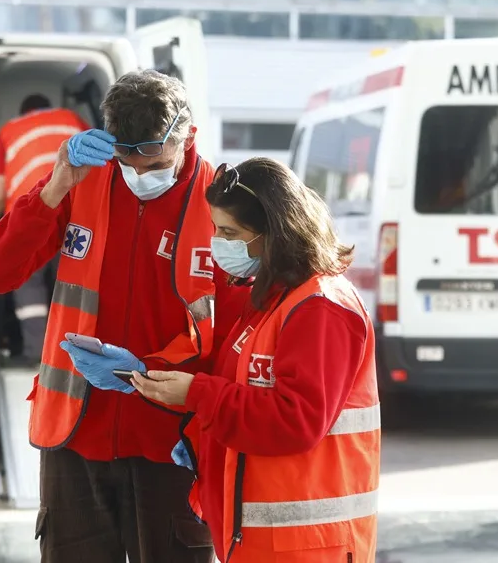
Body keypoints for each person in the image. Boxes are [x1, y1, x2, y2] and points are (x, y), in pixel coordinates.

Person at [0, 70, 247, 563]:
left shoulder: (224, 204)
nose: (141, 176)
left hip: (173, 445)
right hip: (74, 439)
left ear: (190, 137)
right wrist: (54, 186)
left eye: (156, 163)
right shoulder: (82, 183)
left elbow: (240, 332)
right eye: (128, 162)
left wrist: (205, 416)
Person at [130, 157, 381, 563]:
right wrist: (163, 382)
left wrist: (198, 395)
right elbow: (240, 389)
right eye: (215, 229)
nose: (217, 244)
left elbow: (295, 420)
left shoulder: (321, 309)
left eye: (229, 232)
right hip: (268, 541)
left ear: (274, 232)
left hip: (308, 547)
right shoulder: (272, 299)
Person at [0, 94, 90, 364]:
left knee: (31, 291)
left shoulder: (8, 133)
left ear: (23, 112)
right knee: (73, 287)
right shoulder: (73, 120)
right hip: (77, 219)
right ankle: (77, 357)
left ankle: (37, 357)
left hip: (31, 222)